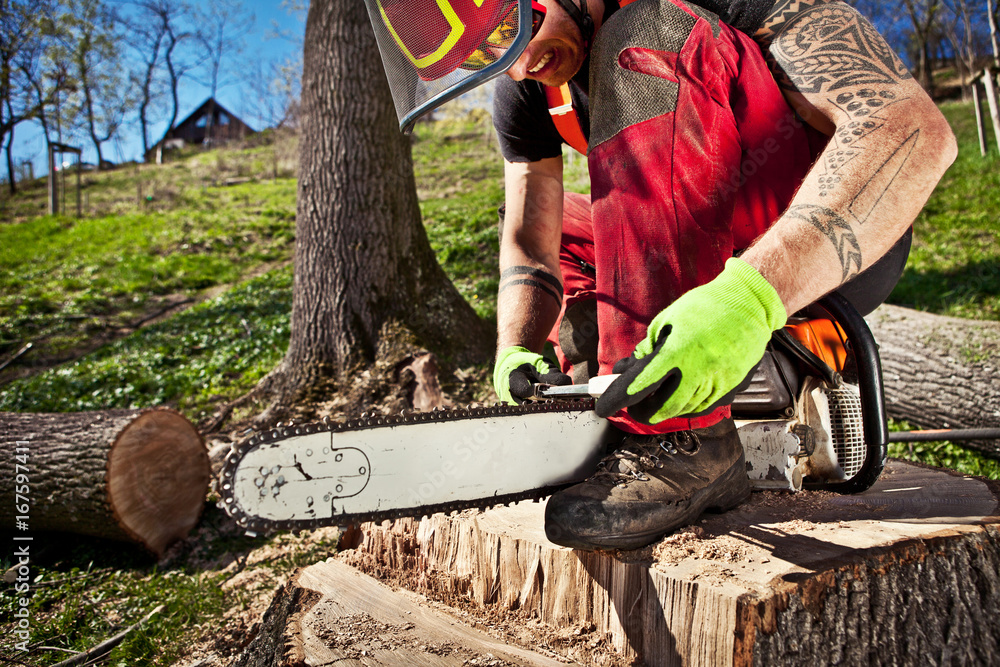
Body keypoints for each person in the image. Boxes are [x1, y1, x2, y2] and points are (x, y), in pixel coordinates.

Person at [368, 0, 957, 550]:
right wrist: (516, 348)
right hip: (688, 234)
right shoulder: (526, 88)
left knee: (645, 38)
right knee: (567, 225)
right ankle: (608, 393)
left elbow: (910, 128)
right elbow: (528, 235)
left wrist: (750, 299)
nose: (518, 62)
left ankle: (684, 440)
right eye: (483, 53)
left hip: (827, 240)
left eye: (509, 27)